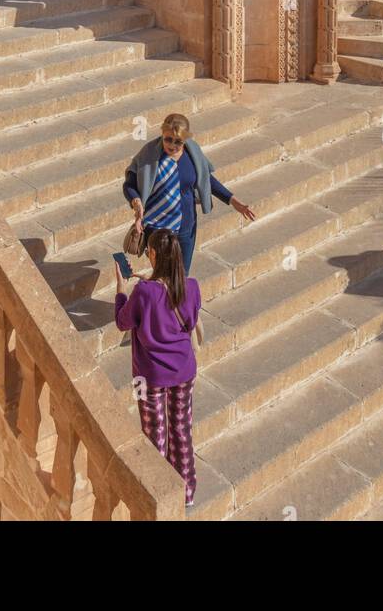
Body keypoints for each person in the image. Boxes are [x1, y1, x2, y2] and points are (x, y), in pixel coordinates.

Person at [115, 227, 201, 508]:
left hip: (149, 376)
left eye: (149, 252)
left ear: (152, 255)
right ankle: (187, 492)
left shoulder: (143, 293)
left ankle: (158, 496)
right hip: (184, 370)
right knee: (181, 429)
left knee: (155, 436)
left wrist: (120, 290)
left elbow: (122, 322)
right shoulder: (192, 287)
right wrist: (149, 281)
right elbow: (184, 314)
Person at [123, 112, 255, 274]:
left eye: (178, 141)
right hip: (158, 228)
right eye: (168, 139)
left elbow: (207, 180)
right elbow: (129, 183)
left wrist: (234, 201)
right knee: (164, 276)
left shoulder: (193, 154)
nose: (172, 145)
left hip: (186, 226)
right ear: (162, 134)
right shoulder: (149, 154)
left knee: (182, 277)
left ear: (185, 140)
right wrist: (136, 201)